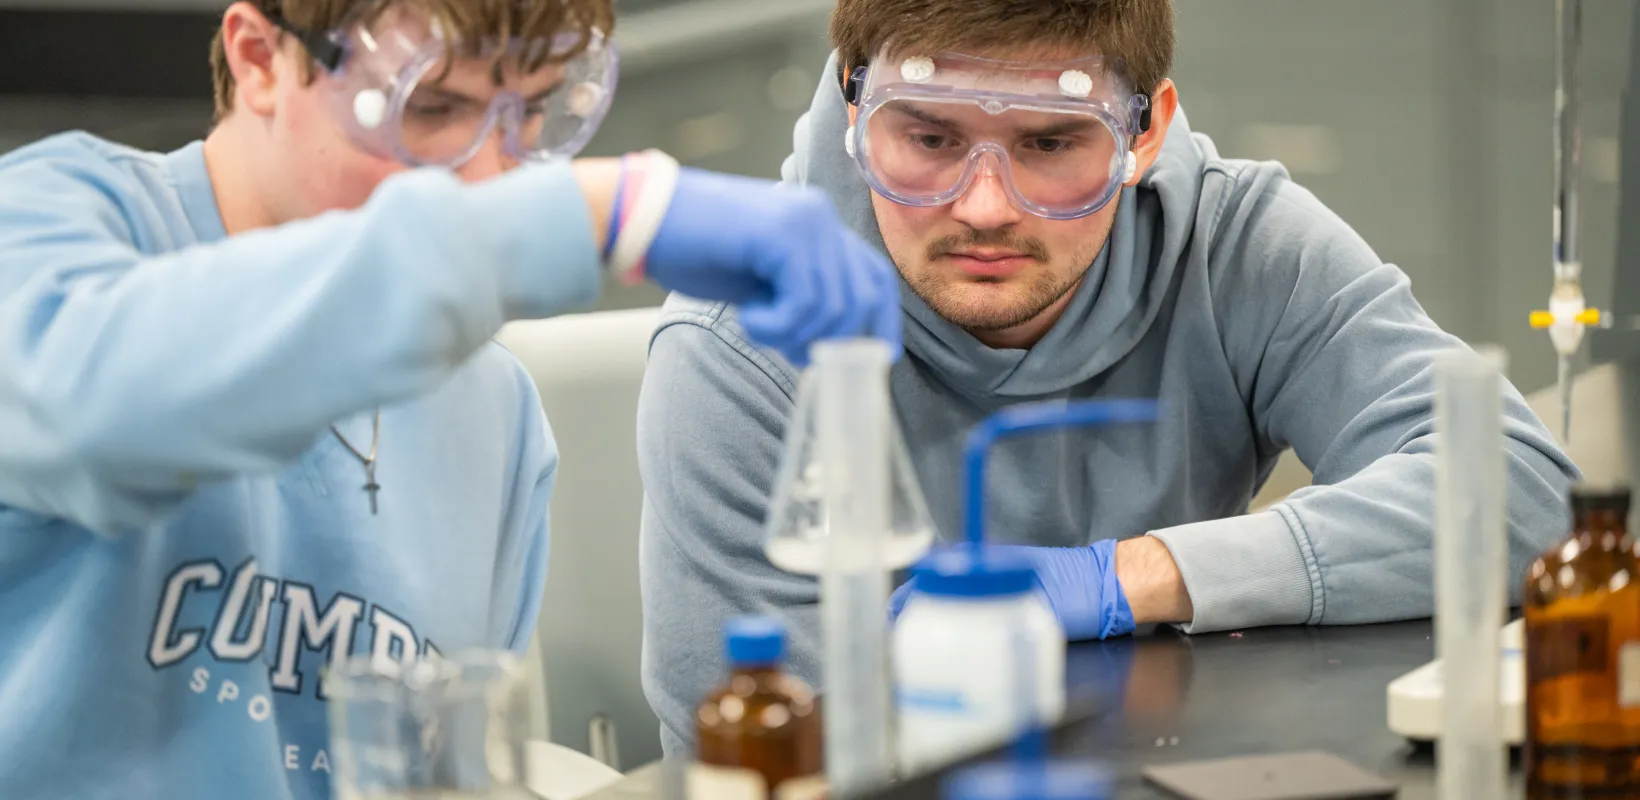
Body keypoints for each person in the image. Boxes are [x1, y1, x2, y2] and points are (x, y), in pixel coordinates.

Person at [0, 0, 899, 795]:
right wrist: (595, 214)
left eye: (534, 114)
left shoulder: (490, 409)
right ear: (258, 58)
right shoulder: (51, 233)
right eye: (430, 108)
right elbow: (88, 410)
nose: (486, 178)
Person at [636, 0, 1581, 755]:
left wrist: (1141, 573)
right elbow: (768, 757)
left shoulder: (1233, 244)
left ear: (1145, 130)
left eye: (1050, 145)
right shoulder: (742, 343)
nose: (984, 207)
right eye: (927, 140)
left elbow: (1531, 498)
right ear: (855, 111)